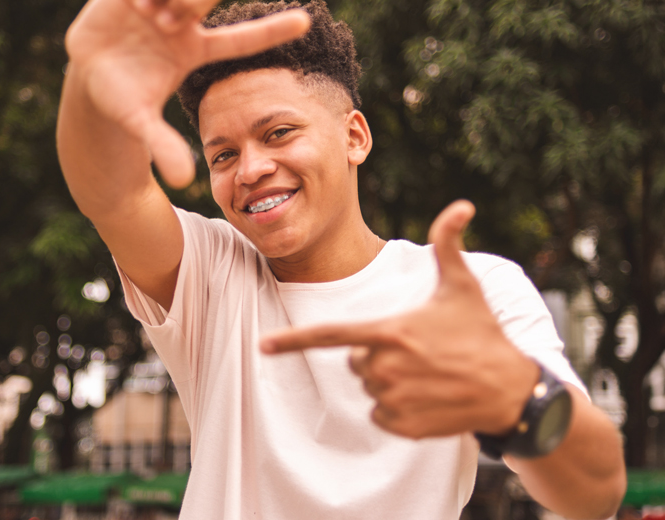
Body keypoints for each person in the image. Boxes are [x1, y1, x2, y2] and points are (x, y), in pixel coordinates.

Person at [57, 0, 626, 518]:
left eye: (278, 132)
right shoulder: (212, 275)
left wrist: (517, 399)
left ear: (354, 136)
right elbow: (116, 194)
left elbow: (594, 491)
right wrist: (89, 81)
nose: (250, 169)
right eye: (223, 154)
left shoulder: (474, 289)